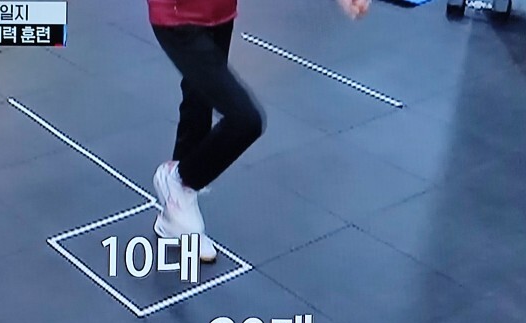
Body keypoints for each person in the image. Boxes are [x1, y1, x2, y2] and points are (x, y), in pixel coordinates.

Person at [148, 0, 371, 263]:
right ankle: (177, 180)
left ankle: (174, 216)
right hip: (178, 17)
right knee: (246, 120)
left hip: (219, 13)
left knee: (198, 101)